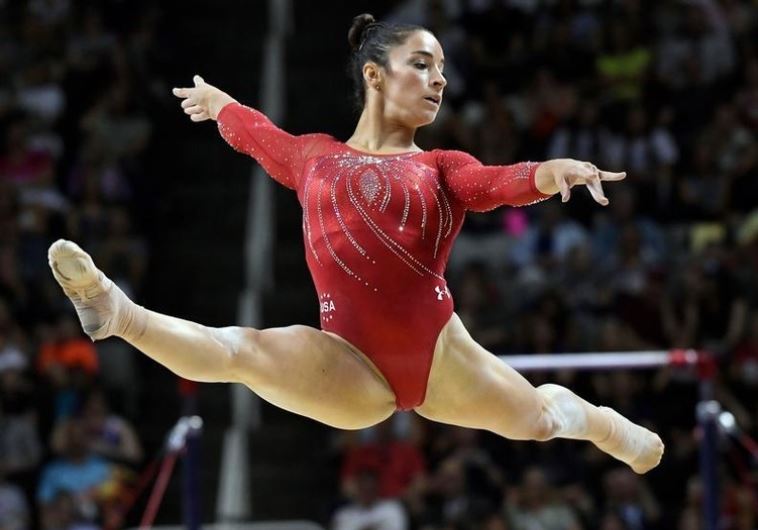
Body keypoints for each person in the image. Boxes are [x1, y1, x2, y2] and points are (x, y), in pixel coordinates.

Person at [48, 14, 663, 474]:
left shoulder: (441, 166)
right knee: (242, 352)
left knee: (542, 421)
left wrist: (553, 172)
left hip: (440, 357)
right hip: (348, 362)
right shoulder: (314, 158)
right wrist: (221, 106)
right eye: (421, 64)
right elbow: (259, 135)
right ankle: (117, 313)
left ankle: (606, 427)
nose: (439, 79)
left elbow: (495, 184)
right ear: (374, 74)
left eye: (442, 69)